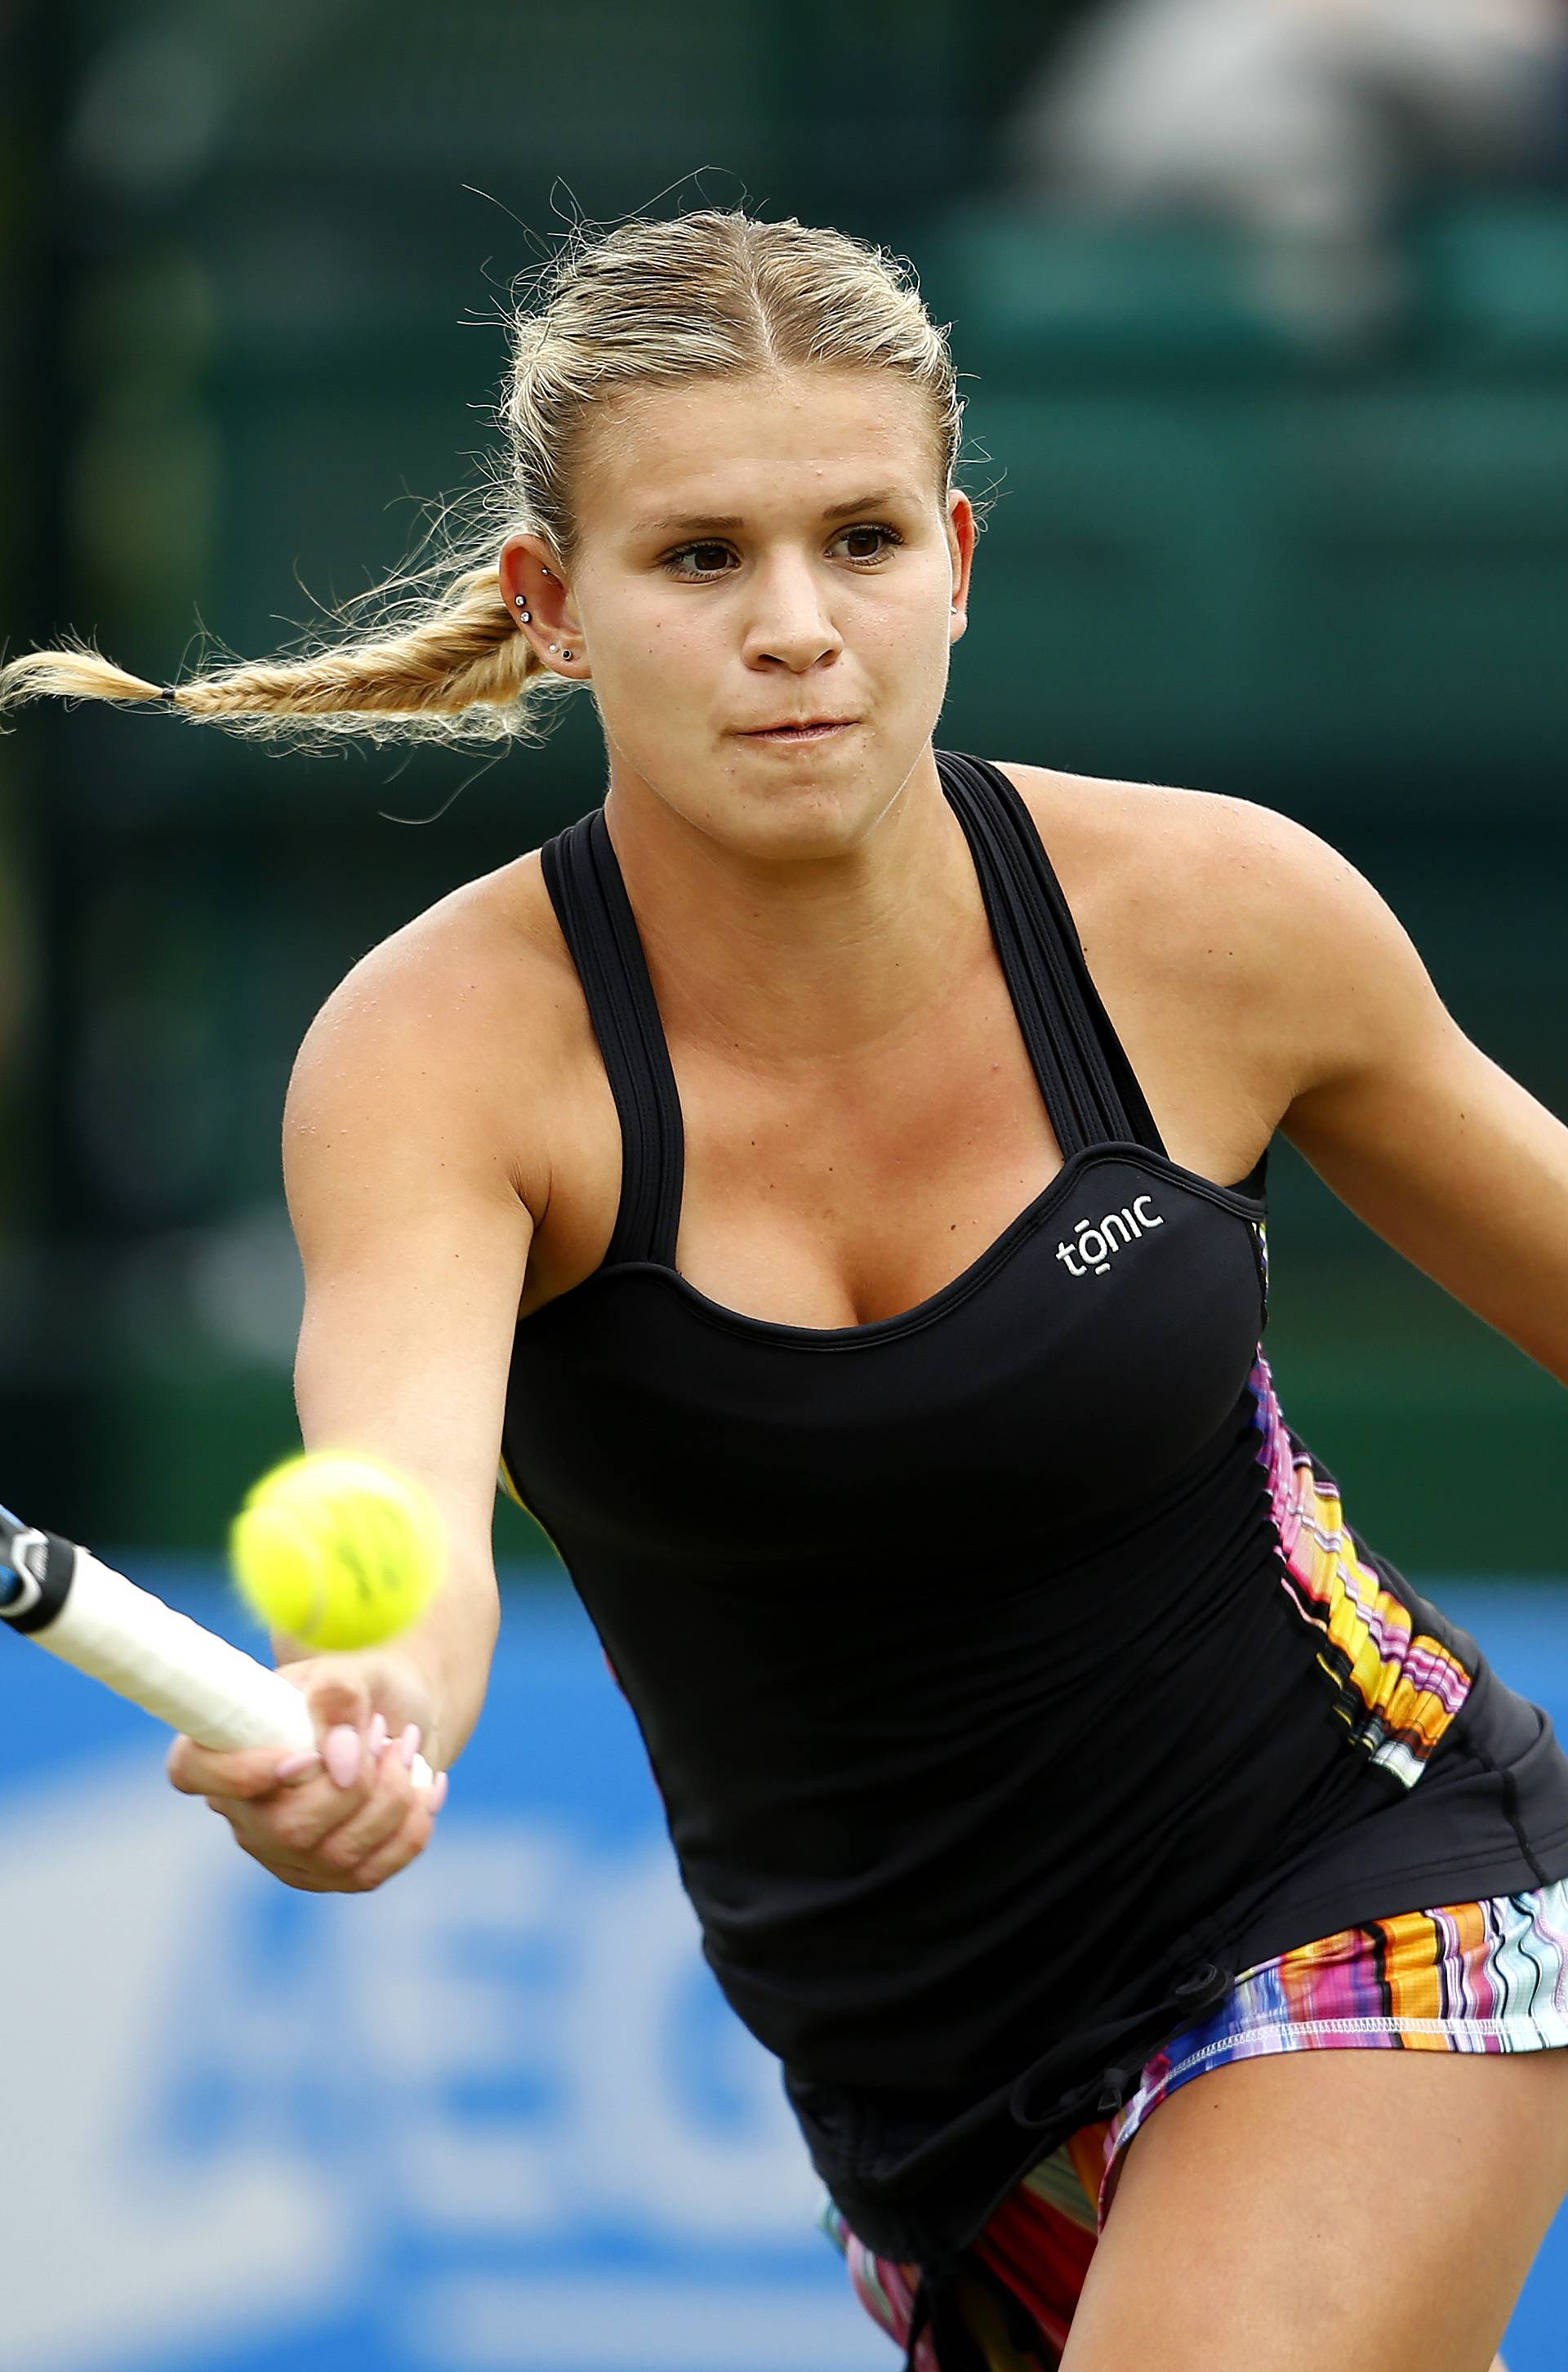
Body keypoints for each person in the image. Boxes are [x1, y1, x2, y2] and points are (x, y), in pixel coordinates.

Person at [5, 205, 1568, 2372]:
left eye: (858, 541)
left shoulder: (1224, 919)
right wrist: (360, 1704)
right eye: (702, 558)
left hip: (1367, 1858)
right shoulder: (443, 1051)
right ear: (552, 610)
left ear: (958, 556)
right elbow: (405, 1505)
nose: (798, 630)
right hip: (933, 2112)